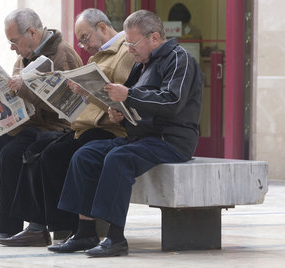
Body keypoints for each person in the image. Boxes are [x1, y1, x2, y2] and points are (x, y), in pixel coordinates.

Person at [49, 10, 204, 257]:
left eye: (133, 43)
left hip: (171, 140)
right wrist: (119, 111)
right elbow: (131, 99)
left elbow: (173, 101)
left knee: (118, 159)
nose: (129, 49)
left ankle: (115, 236)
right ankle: (85, 231)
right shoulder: (143, 65)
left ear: (154, 38)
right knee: (85, 155)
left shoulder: (180, 59)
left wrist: (129, 96)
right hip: (142, 137)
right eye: (128, 44)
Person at [0, 8, 135, 247]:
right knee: (37, 152)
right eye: (80, 39)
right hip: (84, 125)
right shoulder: (99, 55)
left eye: (85, 38)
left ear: (102, 28)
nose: (83, 45)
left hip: (105, 128)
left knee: (50, 153)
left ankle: (62, 227)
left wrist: (88, 92)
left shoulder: (124, 52)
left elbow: (122, 93)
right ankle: (40, 226)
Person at [0, 8, 83, 242]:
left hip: (50, 130)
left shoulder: (62, 55)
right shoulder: (23, 57)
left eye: (13, 41)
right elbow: (18, 97)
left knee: (10, 154)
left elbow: (68, 105)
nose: (11, 47)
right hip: (22, 126)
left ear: (31, 33)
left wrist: (24, 90)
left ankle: (8, 228)